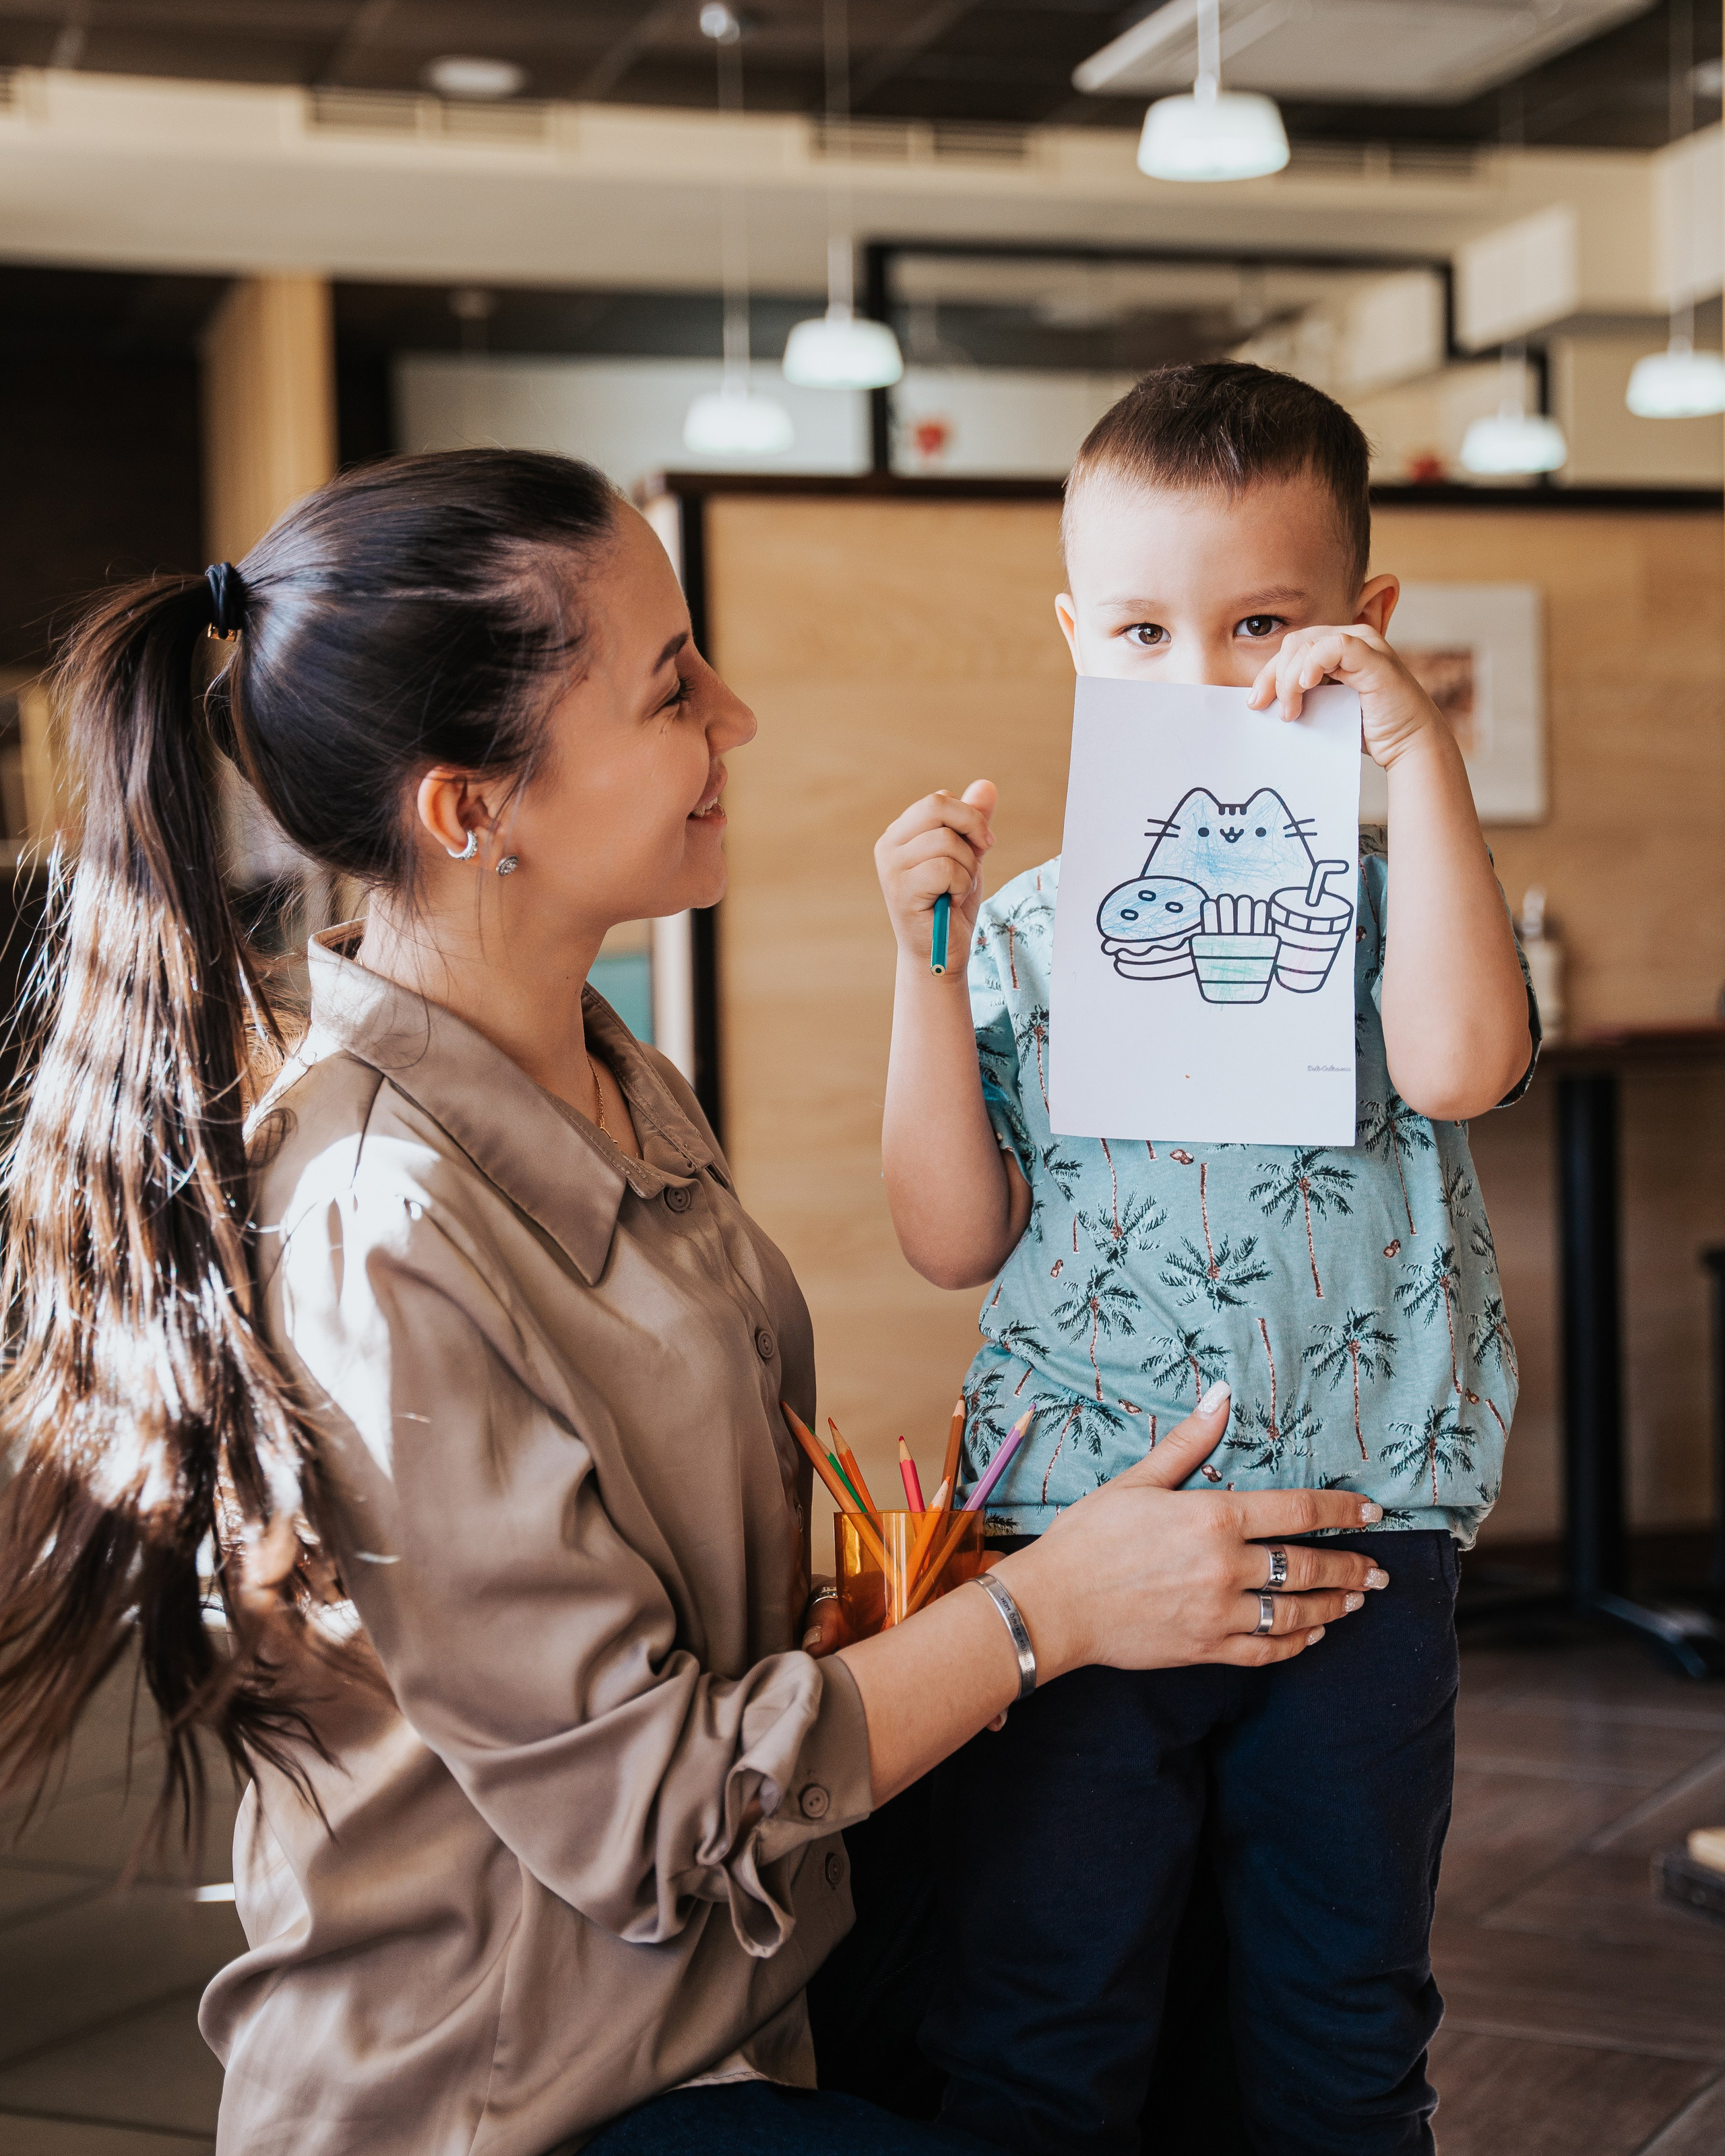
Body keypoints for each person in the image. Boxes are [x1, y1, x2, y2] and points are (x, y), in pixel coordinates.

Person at [0, 449, 1386, 2156]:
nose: (735, 717)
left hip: (736, 1996)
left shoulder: (605, 1071)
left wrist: (878, 1614)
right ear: (471, 809)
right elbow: (650, 1818)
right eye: (671, 689)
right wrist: (1045, 1613)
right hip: (517, 2100)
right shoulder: (377, 1225)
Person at [873, 362, 1538, 2156]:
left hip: (1359, 1531)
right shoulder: (1023, 928)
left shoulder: (1405, 902)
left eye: (1262, 624)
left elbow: (1467, 1064)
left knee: (1341, 2012)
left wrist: (1421, 755)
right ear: (1081, 639)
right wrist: (927, 967)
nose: (1203, 674)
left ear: (1362, 626)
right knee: (1048, 1995)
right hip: (1078, 1541)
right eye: (1147, 632)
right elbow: (951, 1236)